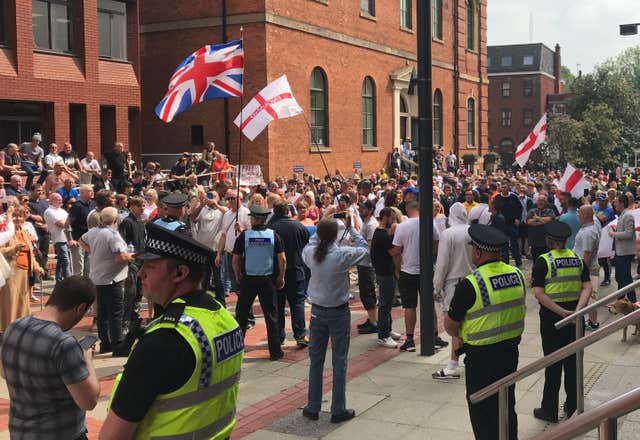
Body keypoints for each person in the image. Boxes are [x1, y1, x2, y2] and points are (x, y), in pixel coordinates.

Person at [100, 223, 243, 439]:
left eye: (149, 266)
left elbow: (112, 436)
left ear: (180, 273)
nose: (140, 274)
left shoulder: (163, 341)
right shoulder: (224, 318)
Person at [444, 224, 526, 440]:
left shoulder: (471, 284)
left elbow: (450, 326)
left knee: (482, 410)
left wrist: (463, 335)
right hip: (510, 352)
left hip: (481, 359)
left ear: (478, 252)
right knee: (507, 403)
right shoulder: (517, 274)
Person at [0, 276, 99, 440]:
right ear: (80, 308)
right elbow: (89, 401)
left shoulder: (14, 327)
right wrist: (87, 360)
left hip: (21, 433)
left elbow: (6, 372)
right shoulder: (64, 345)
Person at [302, 216, 368, 424]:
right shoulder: (342, 255)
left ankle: (313, 406)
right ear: (335, 236)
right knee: (339, 360)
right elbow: (365, 248)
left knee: (316, 360)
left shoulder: (311, 254)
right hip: (338, 311)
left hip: (317, 312)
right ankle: (338, 408)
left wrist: (323, 224)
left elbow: (312, 242)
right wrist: (353, 229)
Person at [532, 221, 592, 423]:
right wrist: (577, 311)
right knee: (574, 363)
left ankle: (549, 410)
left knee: (552, 364)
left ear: (548, 240)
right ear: (566, 240)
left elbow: (538, 293)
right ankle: (573, 407)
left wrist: (562, 313)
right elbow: (587, 287)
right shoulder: (577, 259)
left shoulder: (543, 261)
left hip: (552, 320)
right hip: (576, 319)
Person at [391, 200, 447, 352]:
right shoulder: (430, 223)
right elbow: (436, 245)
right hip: (427, 270)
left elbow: (396, 252)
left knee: (409, 307)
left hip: (407, 271)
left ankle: (409, 339)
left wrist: (398, 270)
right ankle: (434, 335)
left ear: (408, 210)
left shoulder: (402, 226)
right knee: (429, 303)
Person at [232, 204, 286, 360]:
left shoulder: (245, 236)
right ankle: (275, 352)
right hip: (267, 279)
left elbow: (235, 260)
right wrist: (281, 277)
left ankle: (236, 350)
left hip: (248, 279)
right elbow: (282, 259)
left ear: (254, 219)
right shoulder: (273, 235)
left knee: (241, 315)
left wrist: (237, 275)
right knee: (271, 316)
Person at [80, 207, 134, 354]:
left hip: (97, 278)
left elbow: (81, 240)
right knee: (115, 313)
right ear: (116, 220)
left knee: (102, 313)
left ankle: (105, 344)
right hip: (112, 279)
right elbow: (120, 257)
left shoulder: (93, 231)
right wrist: (133, 256)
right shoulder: (112, 234)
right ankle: (118, 345)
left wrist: (91, 250)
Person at [432, 202, 474, 380]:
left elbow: (442, 263)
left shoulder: (448, 234)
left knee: (455, 324)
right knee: (470, 321)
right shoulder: (472, 231)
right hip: (473, 280)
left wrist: (436, 286)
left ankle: (453, 364)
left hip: (454, 283)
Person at [268, 200, 311, 347]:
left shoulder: (270, 228)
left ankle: (279, 337)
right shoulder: (299, 226)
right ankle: (300, 335)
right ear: (288, 211)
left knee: (278, 305)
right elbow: (308, 245)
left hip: (276, 272)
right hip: (296, 270)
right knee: (297, 303)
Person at [0, 205, 43, 330]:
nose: (17, 219)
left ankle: (21, 329)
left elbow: (31, 254)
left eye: (20, 216)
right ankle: (7, 330)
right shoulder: (6, 233)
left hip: (24, 272)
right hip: (11, 273)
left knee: (23, 303)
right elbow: (1, 251)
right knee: (11, 303)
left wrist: (37, 267)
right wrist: (14, 248)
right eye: (14, 216)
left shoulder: (24, 232)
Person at [370, 207, 402, 348]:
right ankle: (383, 336)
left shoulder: (382, 233)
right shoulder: (382, 234)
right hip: (385, 273)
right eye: (392, 218)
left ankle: (387, 330)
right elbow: (394, 251)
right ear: (385, 217)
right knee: (384, 304)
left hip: (386, 272)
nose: (393, 221)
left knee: (388, 303)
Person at [190, 189, 227, 304]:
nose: (211, 198)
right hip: (203, 249)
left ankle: (221, 301)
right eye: (209, 196)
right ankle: (203, 300)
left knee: (218, 278)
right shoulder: (202, 209)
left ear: (218, 198)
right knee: (204, 277)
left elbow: (228, 213)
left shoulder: (222, 210)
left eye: (214, 196)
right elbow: (192, 218)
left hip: (217, 250)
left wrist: (216, 204)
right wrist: (201, 205)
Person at [118, 196, 146, 341]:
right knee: (130, 291)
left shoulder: (140, 222)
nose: (142, 208)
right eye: (140, 206)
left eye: (143, 206)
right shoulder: (127, 222)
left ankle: (134, 317)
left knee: (139, 292)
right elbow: (122, 242)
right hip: (132, 262)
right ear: (132, 206)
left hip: (142, 261)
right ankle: (125, 321)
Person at [573, 205, 602, 331]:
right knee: (590, 296)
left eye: (579, 213)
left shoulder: (588, 232)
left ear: (585, 215)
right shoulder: (589, 227)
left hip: (588, 269)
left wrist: (582, 273)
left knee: (590, 296)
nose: (578, 215)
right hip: (589, 268)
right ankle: (591, 321)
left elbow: (587, 254)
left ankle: (592, 321)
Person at [355, 199, 379, 335]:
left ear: (370, 210)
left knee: (368, 292)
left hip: (367, 264)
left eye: (363, 208)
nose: (360, 209)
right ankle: (371, 319)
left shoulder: (371, 225)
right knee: (365, 292)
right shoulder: (366, 223)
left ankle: (374, 322)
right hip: (363, 263)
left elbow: (369, 246)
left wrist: (356, 251)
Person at [609, 193, 636, 302]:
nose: (614, 203)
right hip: (620, 251)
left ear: (622, 203)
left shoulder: (628, 215)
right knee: (620, 277)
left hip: (625, 252)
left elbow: (629, 234)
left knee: (626, 278)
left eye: (616, 202)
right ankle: (620, 300)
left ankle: (633, 301)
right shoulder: (623, 215)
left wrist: (614, 234)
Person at [44, 192, 71, 283]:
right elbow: (61, 224)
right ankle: (68, 281)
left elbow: (70, 221)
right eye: (57, 199)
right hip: (59, 239)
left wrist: (66, 221)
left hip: (67, 238)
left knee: (61, 260)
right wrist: (66, 220)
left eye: (61, 199)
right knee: (66, 260)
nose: (60, 200)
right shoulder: (49, 211)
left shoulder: (62, 211)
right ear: (51, 201)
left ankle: (59, 281)